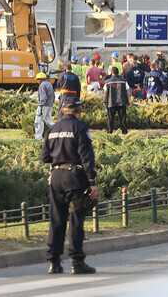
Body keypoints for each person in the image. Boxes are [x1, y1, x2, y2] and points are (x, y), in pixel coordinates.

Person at [41, 97, 98, 275]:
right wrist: (92, 182)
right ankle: (77, 261)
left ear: (63, 111)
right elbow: (86, 157)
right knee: (75, 219)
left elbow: (45, 157)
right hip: (74, 178)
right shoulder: (80, 128)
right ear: (78, 111)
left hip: (56, 177)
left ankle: (54, 262)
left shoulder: (52, 129)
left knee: (56, 219)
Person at [102, 66, 130, 135]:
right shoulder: (124, 81)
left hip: (111, 102)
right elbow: (128, 91)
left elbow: (105, 93)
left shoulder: (107, 82)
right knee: (123, 118)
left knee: (110, 119)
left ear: (112, 73)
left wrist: (104, 101)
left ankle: (109, 132)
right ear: (118, 72)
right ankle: (124, 132)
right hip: (122, 102)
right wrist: (128, 101)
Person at [34, 71, 55, 141]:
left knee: (39, 121)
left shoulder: (42, 86)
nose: (37, 81)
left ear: (40, 79)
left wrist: (40, 106)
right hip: (50, 105)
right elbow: (53, 95)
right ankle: (58, 131)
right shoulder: (49, 84)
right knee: (49, 121)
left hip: (43, 105)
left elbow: (43, 97)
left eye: (37, 79)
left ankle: (38, 137)